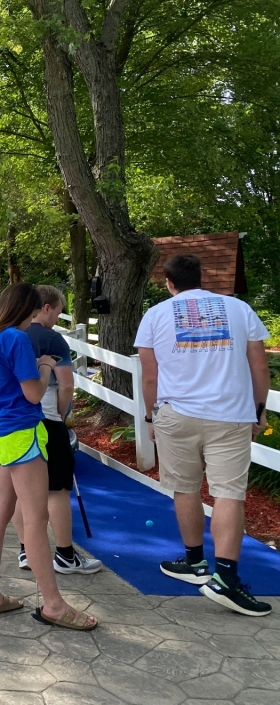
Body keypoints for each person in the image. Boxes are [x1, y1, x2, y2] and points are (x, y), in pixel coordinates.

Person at [136, 254, 272, 616]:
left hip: (176, 413)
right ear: (201, 278)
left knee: (185, 488)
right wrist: (258, 410)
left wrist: (150, 416)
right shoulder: (239, 309)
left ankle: (195, 562)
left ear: (169, 282)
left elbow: (150, 376)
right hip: (230, 414)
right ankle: (225, 577)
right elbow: (260, 366)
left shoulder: (155, 316)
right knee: (229, 492)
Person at [0, 282, 98, 630]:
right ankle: (53, 605)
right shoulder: (16, 339)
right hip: (22, 433)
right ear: (26, 309)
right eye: (31, 314)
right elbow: (33, 394)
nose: (32, 321)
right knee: (36, 518)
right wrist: (44, 366)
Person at [13, 285, 102, 575]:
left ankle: (27, 551)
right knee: (58, 490)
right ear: (46, 307)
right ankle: (64, 555)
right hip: (48, 419)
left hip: (18, 423)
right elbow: (66, 384)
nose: (55, 319)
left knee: (22, 491)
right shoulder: (52, 339)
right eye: (58, 312)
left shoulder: (11, 334)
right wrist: (63, 415)